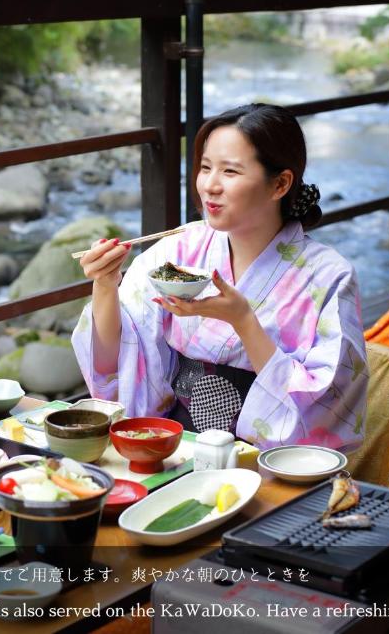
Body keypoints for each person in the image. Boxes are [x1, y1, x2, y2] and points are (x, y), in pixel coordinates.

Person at [72, 103, 368, 452]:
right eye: (206, 167)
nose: (210, 185)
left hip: (267, 458)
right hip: (175, 447)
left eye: (230, 171)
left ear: (280, 184)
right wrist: (105, 285)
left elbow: (325, 401)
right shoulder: (178, 253)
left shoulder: (328, 276)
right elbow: (114, 361)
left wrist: (243, 320)